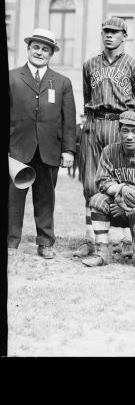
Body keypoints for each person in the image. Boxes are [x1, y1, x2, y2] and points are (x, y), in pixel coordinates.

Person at [76, 17, 135, 258]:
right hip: (95, 122)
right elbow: (87, 96)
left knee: (125, 176)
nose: (109, 35)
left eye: (115, 32)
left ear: (124, 36)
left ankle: (127, 239)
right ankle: (90, 238)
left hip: (120, 123)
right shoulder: (89, 64)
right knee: (90, 180)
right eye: (106, 31)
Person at [8, 28, 76, 258]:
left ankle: (45, 242)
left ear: (51, 54)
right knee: (13, 198)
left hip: (49, 150)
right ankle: (11, 242)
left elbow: (68, 120)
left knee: (46, 197)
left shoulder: (62, 82)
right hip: (17, 149)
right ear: (28, 49)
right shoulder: (12, 77)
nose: (39, 52)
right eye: (36, 47)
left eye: (45, 49)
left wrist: (68, 150)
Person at [81, 111, 135, 268]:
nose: (129, 136)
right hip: (120, 205)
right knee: (97, 200)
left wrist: (129, 210)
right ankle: (102, 252)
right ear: (119, 131)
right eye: (125, 131)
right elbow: (102, 181)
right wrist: (121, 188)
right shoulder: (109, 151)